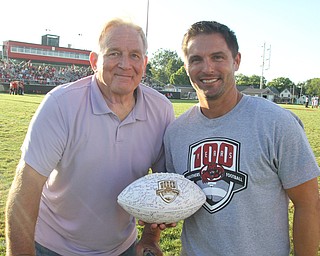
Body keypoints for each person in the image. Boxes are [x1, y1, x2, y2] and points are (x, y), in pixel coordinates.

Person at [5, 18, 175, 256]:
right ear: (95, 61)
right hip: (52, 247)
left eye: (135, 55)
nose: (126, 64)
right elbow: (25, 190)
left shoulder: (161, 109)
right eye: (114, 53)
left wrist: (150, 237)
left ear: (144, 63)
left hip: (121, 247)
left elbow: (161, 183)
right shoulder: (61, 104)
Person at [163, 21, 320, 255]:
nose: (207, 68)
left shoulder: (277, 123)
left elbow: (309, 204)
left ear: (236, 61)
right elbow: (179, 201)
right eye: (196, 59)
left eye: (218, 57)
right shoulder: (175, 132)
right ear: (186, 66)